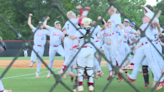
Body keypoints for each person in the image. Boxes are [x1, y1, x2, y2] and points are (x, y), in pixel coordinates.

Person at [127, 12, 163, 90]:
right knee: (137, 61)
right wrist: (136, 47)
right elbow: (142, 40)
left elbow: (155, 24)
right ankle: (133, 77)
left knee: (152, 63)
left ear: (149, 18)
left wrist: (153, 21)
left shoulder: (150, 24)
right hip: (143, 45)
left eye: (145, 17)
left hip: (149, 46)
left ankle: (161, 80)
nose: (143, 18)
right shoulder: (143, 26)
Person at [69, 17, 94, 92]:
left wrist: (68, 35)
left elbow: (73, 37)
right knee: (89, 69)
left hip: (83, 49)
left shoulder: (81, 30)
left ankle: (80, 86)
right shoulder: (92, 30)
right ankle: (91, 86)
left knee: (80, 68)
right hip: (91, 49)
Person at [28, 13, 49, 79]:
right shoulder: (35, 30)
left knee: (40, 60)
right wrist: (29, 17)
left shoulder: (45, 31)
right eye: (40, 24)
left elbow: (51, 33)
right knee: (33, 54)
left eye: (42, 24)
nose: (41, 25)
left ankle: (37, 72)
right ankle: (32, 61)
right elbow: (29, 24)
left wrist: (46, 20)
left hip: (42, 47)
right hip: (36, 46)